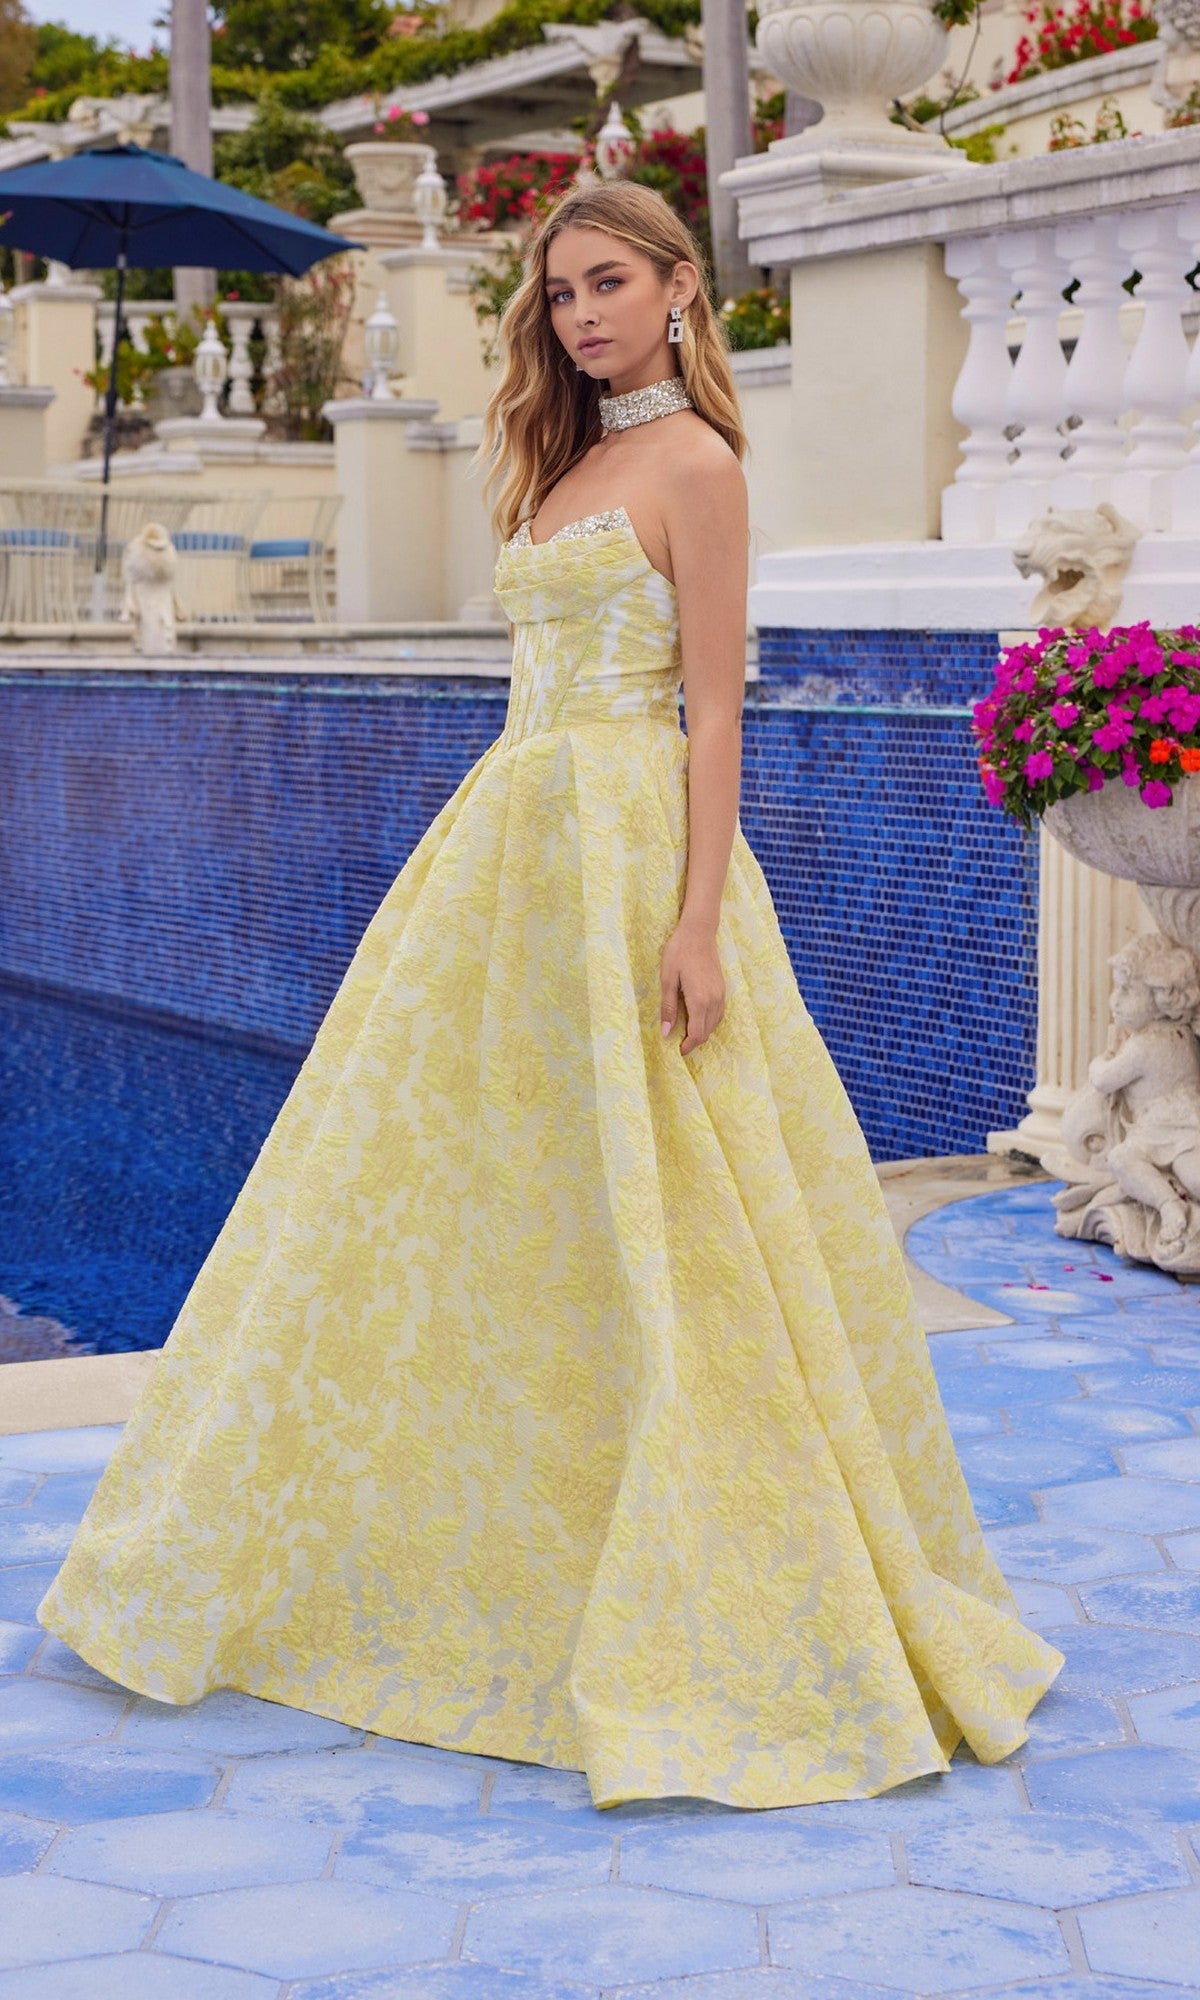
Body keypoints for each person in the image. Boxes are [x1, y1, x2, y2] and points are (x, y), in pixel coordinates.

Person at [38, 180, 1062, 1811]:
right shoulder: (562, 460)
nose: (581, 315)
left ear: (677, 291)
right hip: (511, 845)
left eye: (607, 283)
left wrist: (699, 919)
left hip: (637, 848)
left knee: (689, 1225)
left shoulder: (701, 468)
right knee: (471, 1202)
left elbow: (717, 711)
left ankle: (724, 1562)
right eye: (560, 292)